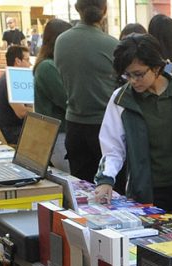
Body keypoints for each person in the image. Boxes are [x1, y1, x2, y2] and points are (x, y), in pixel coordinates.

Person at [94, 33, 172, 213]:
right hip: (144, 192)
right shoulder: (121, 99)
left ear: (156, 67)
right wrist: (106, 180)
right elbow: (112, 147)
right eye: (127, 75)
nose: (133, 81)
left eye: (138, 74)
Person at [54, 0, 119, 183]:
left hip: (74, 124)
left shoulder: (61, 41)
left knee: (80, 189)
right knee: (111, 189)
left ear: (77, 9)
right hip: (105, 124)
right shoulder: (112, 44)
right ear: (104, 11)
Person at [34, 19, 73, 172]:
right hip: (58, 135)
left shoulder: (50, 65)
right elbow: (66, 98)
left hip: (58, 134)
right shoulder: (47, 67)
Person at [0, 45, 32, 144]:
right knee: (49, 136)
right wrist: (41, 111)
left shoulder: (12, 77)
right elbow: (22, 112)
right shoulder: (10, 80)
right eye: (27, 60)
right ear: (17, 61)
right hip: (12, 132)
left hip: (15, 128)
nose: (30, 64)